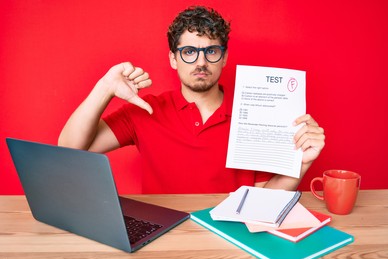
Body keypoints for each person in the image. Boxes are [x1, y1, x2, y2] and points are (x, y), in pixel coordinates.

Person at [58, 6, 325, 194]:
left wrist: (301, 164)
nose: (200, 62)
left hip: (230, 240)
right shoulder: (144, 111)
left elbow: (264, 199)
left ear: (225, 57)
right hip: (162, 240)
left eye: (211, 50)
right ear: (173, 59)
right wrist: (105, 87)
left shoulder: (257, 115)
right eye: (188, 51)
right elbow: (70, 149)